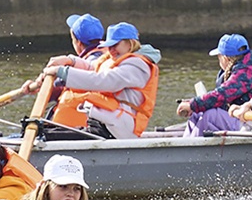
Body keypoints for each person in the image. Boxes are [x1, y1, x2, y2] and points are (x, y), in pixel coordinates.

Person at [24, 21, 161, 140]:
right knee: (46, 133)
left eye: (115, 45)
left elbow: (105, 81)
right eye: (110, 46)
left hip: (118, 130)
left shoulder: (138, 66)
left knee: (47, 135)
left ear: (130, 43)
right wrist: (69, 60)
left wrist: (63, 72)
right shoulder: (116, 59)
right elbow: (92, 67)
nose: (111, 50)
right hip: (104, 124)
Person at [178, 33, 252, 135]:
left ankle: (192, 148)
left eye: (219, 57)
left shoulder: (246, 73)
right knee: (197, 113)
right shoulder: (243, 68)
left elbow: (221, 95)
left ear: (225, 58)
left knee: (210, 115)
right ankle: (185, 142)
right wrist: (193, 105)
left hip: (251, 123)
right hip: (239, 118)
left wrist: (192, 104)